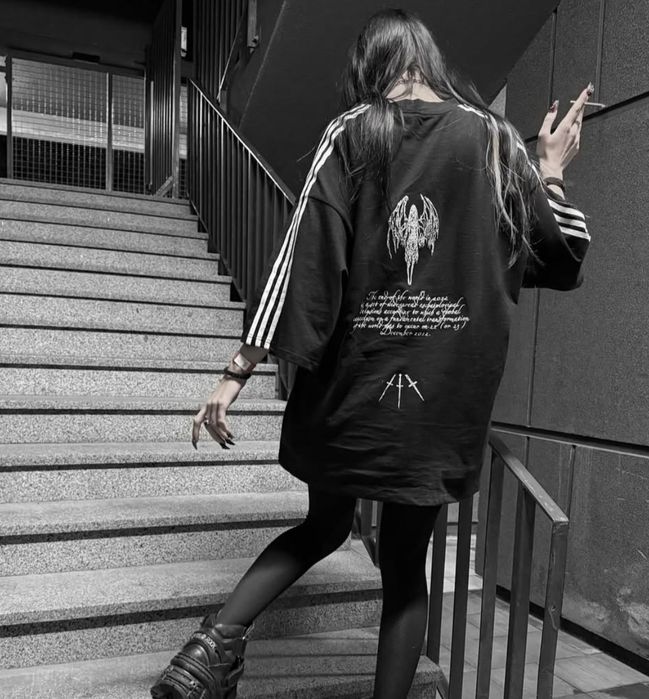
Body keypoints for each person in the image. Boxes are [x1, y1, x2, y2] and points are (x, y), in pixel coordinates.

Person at [151, 8, 591, 699]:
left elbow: (303, 256)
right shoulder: (495, 141)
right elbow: (557, 254)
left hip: (350, 389)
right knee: (405, 567)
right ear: (426, 59)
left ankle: (209, 651)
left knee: (324, 526)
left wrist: (239, 368)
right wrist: (550, 171)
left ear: (372, 67)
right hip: (441, 402)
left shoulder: (354, 129)